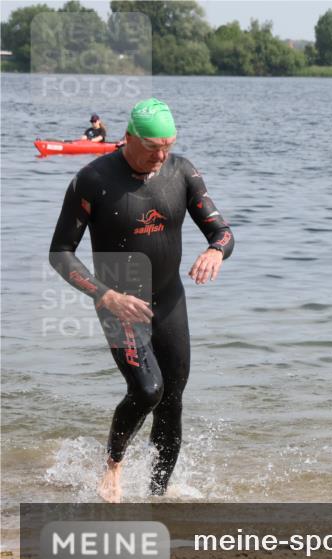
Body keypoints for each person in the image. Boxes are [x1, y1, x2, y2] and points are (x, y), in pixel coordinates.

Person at [49, 98, 235, 503]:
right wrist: (106, 295)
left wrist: (215, 251)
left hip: (169, 300)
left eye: (167, 145)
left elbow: (222, 231)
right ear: (129, 137)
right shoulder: (92, 180)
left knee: (172, 399)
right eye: (152, 146)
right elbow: (60, 252)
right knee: (148, 389)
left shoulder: (181, 172)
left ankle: (158, 497)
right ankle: (114, 464)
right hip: (118, 302)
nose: (161, 155)